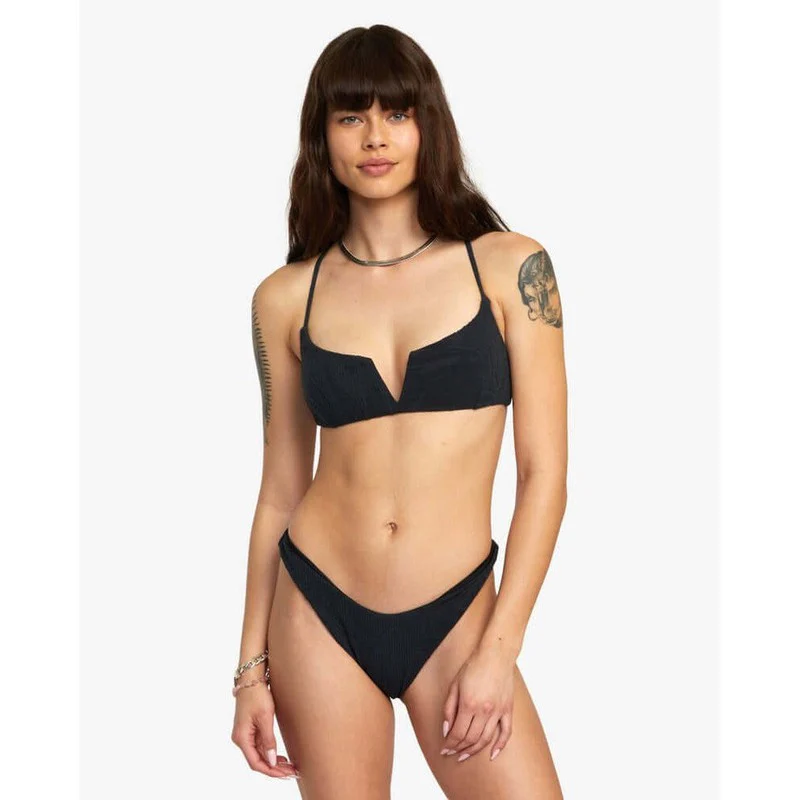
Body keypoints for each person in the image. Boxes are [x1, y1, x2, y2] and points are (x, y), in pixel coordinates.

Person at [231, 24, 567, 799]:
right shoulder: (285, 298)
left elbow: (544, 474)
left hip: (459, 615)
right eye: (351, 116)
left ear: (428, 125)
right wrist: (250, 669)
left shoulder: (510, 268)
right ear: (322, 135)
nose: (375, 137)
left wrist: (499, 651)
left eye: (397, 113)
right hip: (318, 609)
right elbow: (279, 492)